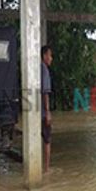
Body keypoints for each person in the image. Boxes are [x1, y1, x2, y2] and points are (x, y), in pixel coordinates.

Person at [41, 45, 53, 173]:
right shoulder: (44, 70)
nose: (51, 58)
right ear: (44, 56)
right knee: (47, 140)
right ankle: (46, 169)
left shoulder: (36, 68)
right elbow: (45, 92)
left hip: (34, 111)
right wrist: (48, 112)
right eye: (50, 55)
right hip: (42, 113)